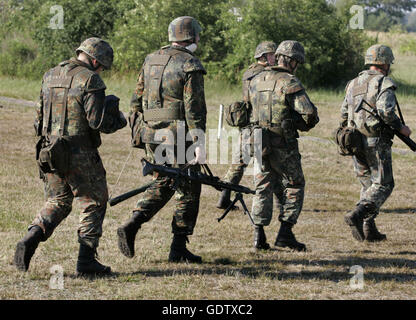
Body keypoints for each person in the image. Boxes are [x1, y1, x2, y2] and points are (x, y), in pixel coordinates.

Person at [14, 37, 127, 275]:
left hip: (49, 151)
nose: (102, 71)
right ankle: (86, 261)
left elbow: (38, 118)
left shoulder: (50, 74)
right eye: (103, 66)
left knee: (58, 201)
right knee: (93, 202)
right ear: (95, 60)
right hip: (80, 152)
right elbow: (97, 122)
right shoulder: (91, 79)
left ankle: (31, 237)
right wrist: (119, 120)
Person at [117, 16, 207, 263]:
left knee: (165, 180)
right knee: (187, 187)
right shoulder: (190, 64)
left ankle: (137, 224)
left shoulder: (150, 60)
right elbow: (194, 108)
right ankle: (173, 244)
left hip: (151, 133)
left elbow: (136, 100)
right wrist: (199, 141)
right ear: (192, 36)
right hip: (178, 135)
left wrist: (138, 132)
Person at [248, 40, 319, 251]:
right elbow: (309, 113)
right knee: (295, 184)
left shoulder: (256, 79)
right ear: (292, 60)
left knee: (262, 187)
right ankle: (285, 233)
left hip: (259, 142)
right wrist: (301, 125)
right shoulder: (289, 81)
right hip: (282, 145)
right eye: (297, 62)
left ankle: (258, 237)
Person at [341, 44, 411, 242]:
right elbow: (386, 111)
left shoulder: (353, 83)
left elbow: (344, 113)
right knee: (383, 184)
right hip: (376, 140)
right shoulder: (383, 82)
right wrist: (401, 128)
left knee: (368, 184)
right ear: (385, 62)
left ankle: (368, 229)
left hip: (354, 140)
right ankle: (357, 214)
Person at [216, 41, 277, 211]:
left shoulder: (249, 72)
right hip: (259, 124)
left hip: (247, 124)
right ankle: (273, 202)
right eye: (273, 55)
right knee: (268, 164)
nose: (276, 58)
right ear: (264, 57)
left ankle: (224, 198)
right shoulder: (266, 74)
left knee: (239, 163)